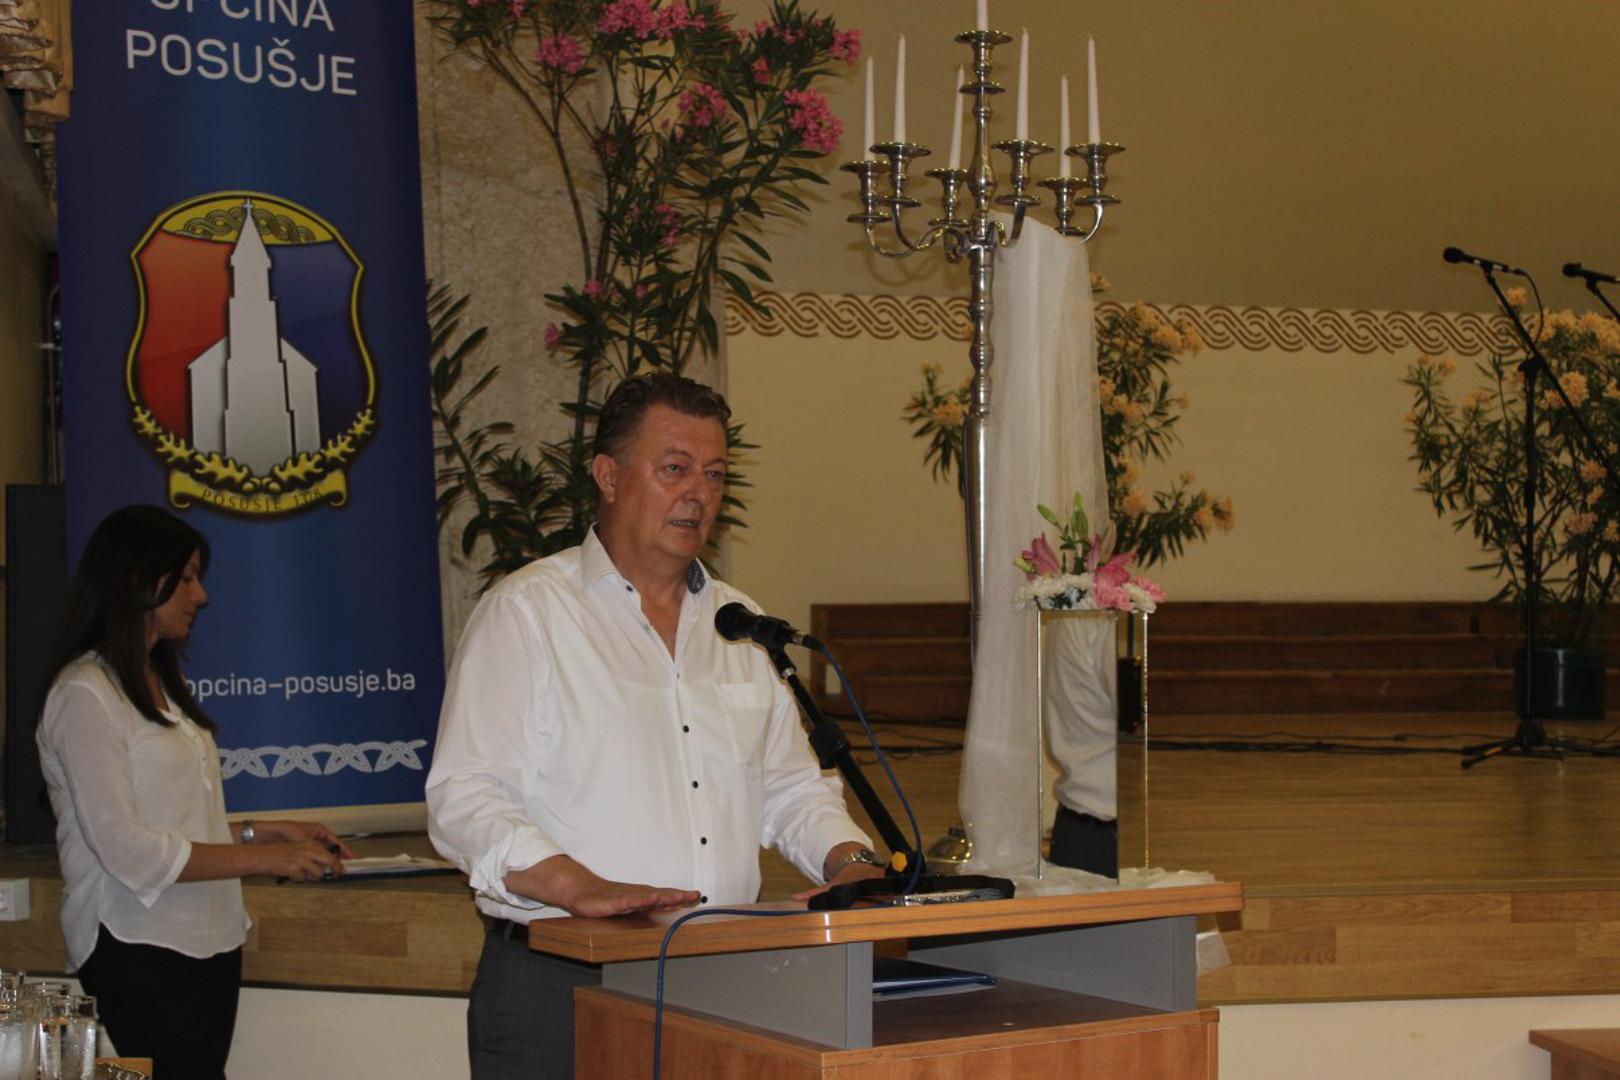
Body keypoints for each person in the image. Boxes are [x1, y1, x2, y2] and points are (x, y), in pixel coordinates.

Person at [427, 372, 885, 1080]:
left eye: (714, 474)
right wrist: (575, 884)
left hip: (721, 976)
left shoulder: (740, 626)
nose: (698, 492)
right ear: (609, 476)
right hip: (564, 977)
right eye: (675, 468)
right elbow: (464, 794)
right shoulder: (528, 613)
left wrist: (850, 864)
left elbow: (793, 789)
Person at [35, 505, 351, 1079]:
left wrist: (265, 832)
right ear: (137, 579)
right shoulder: (85, 693)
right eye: (184, 578)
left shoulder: (160, 679)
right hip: (133, 937)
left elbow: (175, 827)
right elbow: (128, 849)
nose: (200, 596)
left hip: (209, 934)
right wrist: (269, 859)